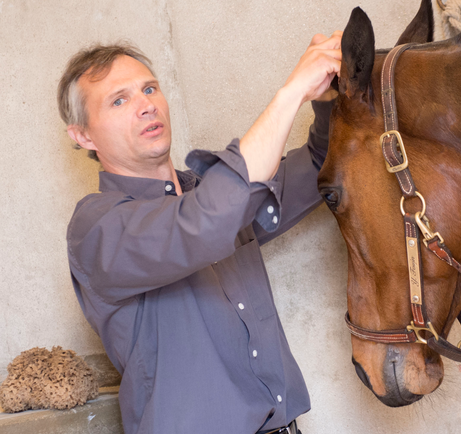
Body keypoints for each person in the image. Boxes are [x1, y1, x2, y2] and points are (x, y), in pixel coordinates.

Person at [58, 31, 341, 434]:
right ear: (83, 135)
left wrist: (328, 96)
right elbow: (204, 224)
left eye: (149, 88)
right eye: (119, 100)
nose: (145, 106)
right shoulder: (95, 228)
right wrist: (292, 91)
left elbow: (320, 164)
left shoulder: (209, 196)